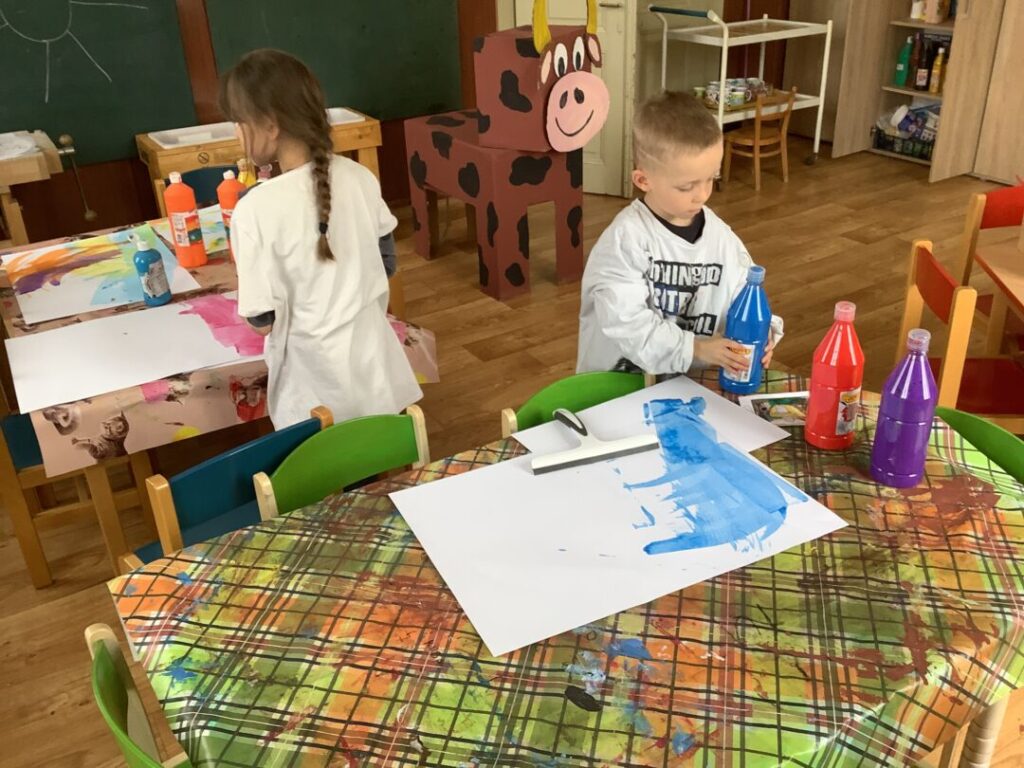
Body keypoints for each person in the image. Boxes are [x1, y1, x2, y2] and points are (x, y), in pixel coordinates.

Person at [220, 49, 421, 427]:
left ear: (270, 125)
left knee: (325, 462)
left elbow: (262, 320)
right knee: (379, 452)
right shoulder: (361, 177)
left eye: (238, 121)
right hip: (376, 374)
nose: (235, 132)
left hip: (312, 395)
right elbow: (387, 264)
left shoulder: (253, 210)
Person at [577, 91, 783, 377]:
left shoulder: (720, 237)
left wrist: (763, 330)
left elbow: (744, 293)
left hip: (687, 384)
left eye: (711, 178)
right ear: (643, 180)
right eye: (687, 187)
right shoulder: (625, 240)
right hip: (619, 386)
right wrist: (696, 349)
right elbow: (627, 323)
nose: (702, 195)